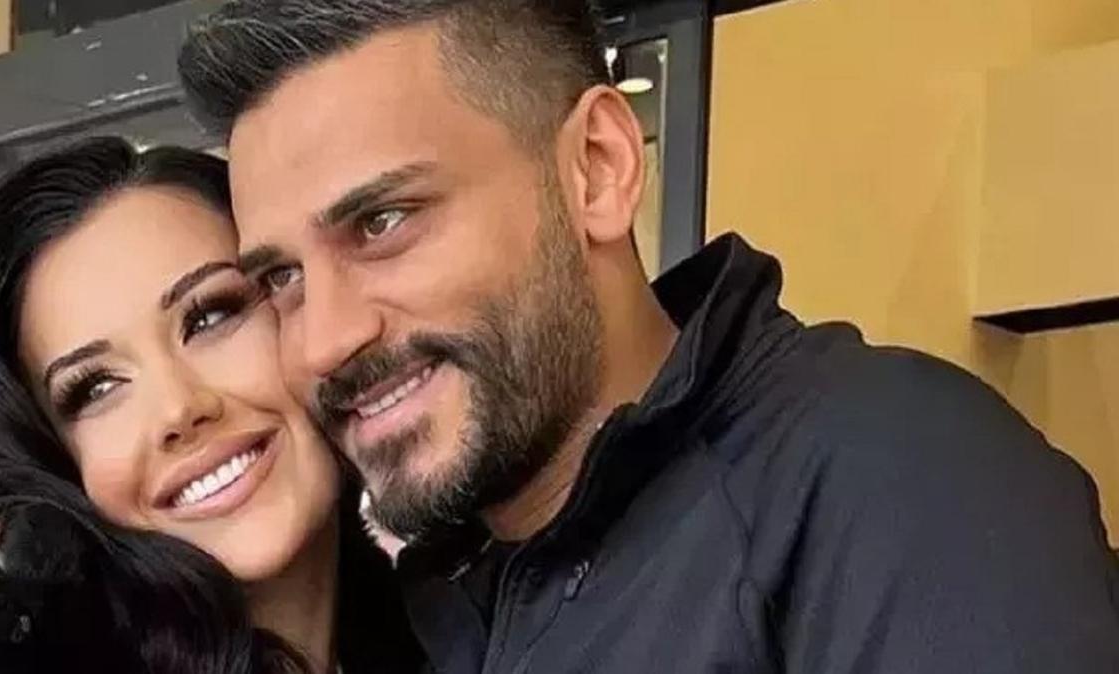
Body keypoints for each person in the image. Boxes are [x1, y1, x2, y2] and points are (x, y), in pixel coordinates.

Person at [179, 1, 1119, 672]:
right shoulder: (446, 593)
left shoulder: (892, 483)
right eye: (281, 279)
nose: (323, 343)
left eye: (383, 222)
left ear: (597, 169)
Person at [0, 138, 424, 674]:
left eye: (209, 317)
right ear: (52, 464)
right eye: (96, 388)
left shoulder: (453, 631)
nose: (179, 410)